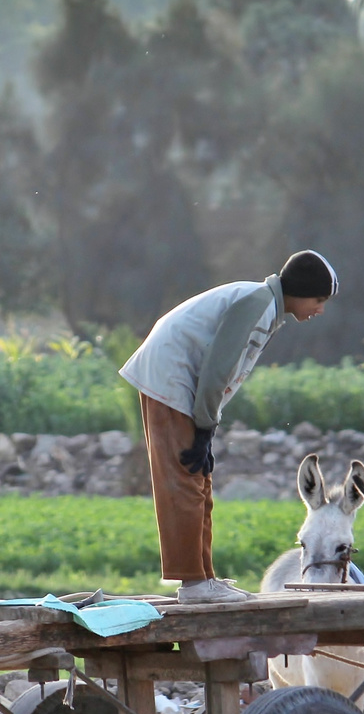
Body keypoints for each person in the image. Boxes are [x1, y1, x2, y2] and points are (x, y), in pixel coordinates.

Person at [119, 250, 338, 604]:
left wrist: (207, 427)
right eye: (319, 299)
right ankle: (193, 584)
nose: (320, 309)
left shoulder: (265, 305)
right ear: (301, 290)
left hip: (181, 383)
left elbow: (221, 371)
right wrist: (205, 427)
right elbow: (217, 369)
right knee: (185, 480)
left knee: (199, 482)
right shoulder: (258, 305)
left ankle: (204, 578)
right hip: (171, 376)